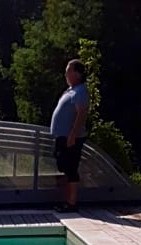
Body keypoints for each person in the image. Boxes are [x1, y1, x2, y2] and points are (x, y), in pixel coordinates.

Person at [50, 60, 90, 212]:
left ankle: (71, 203)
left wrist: (73, 134)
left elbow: (81, 114)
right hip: (63, 137)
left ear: (77, 74)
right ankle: (66, 200)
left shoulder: (81, 91)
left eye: (68, 71)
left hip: (71, 138)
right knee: (64, 168)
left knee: (70, 169)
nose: (65, 74)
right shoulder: (71, 90)